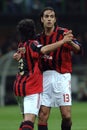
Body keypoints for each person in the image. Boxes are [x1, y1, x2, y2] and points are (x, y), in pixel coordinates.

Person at [13, 18, 73, 130]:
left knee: (25, 120)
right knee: (29, 122)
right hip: (31, 87)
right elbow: (44, 50)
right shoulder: (33, 44)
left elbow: (22, 56)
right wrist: (63, 41)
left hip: (18, 87)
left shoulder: (21, 45)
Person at [37, 7, 82, 130]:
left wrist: (70, 42)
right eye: (46, 16)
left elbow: (78, 49)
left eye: (52, 16)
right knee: (42, 115)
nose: (49, 19)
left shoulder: (64, 33)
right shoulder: (38, 39)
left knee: (66, 116)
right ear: (42, 19)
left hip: (62, 76)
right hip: (44, 77)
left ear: (55, 19)